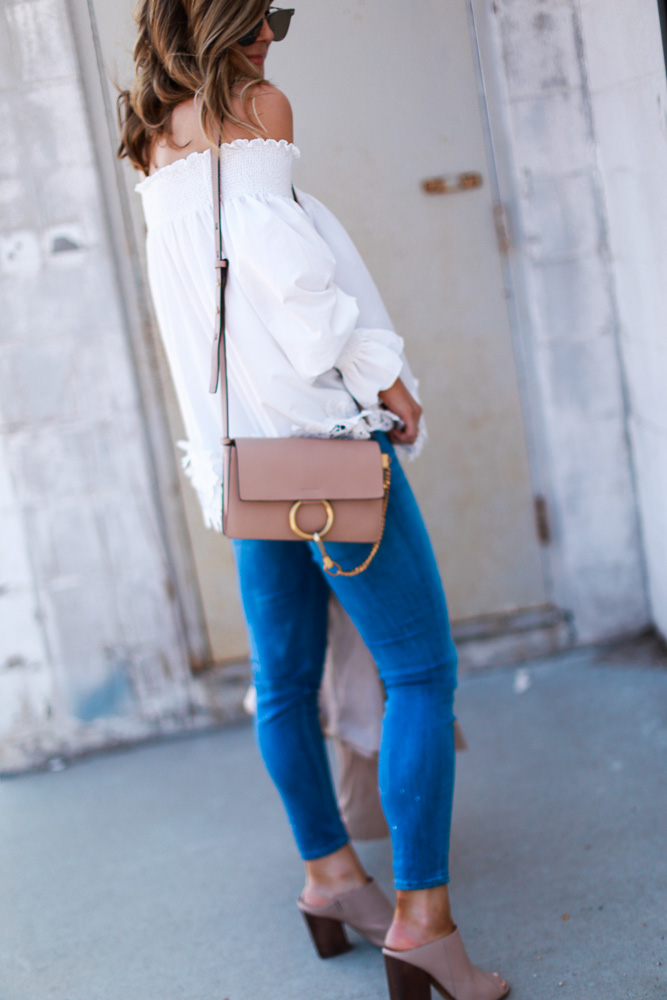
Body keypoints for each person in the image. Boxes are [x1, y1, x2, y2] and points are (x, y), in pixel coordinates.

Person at [118, 3, 510, 997]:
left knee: (284, 684)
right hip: (324, 451)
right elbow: (296, 291)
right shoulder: (255, 107)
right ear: (221, 22)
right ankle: (424, 921)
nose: (272, 39)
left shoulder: (151, 137)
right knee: (420, 671)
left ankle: (329, 877)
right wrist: (389, 382)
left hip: (247, 464)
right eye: (263, 18)